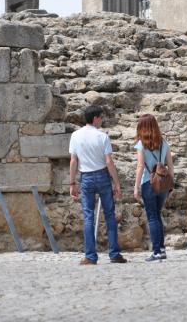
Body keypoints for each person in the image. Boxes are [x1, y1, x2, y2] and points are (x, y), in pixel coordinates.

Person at [69, 105, 127, 265]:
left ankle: (90, 256)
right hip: (102, 176)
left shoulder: (75, 135)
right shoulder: (102, 136)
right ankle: (114, 254)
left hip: (86, 177)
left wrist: (72, 182)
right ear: (95, 118)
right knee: (110, 215)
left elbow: (73, 161)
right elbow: (109, 161)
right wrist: (117, 184)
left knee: (88, 216)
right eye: (101, 117)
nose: (102, 120)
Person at [134, 113, 174, 261]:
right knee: (157, 215)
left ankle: (157, 251)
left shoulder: (141, 144)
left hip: (148, 183)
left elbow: (139, 166)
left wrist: (136, 187)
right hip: (163, 184)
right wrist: (171, 184)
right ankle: (162, 249)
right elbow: (170, 166)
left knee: (152, 217)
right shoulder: (164, 142)